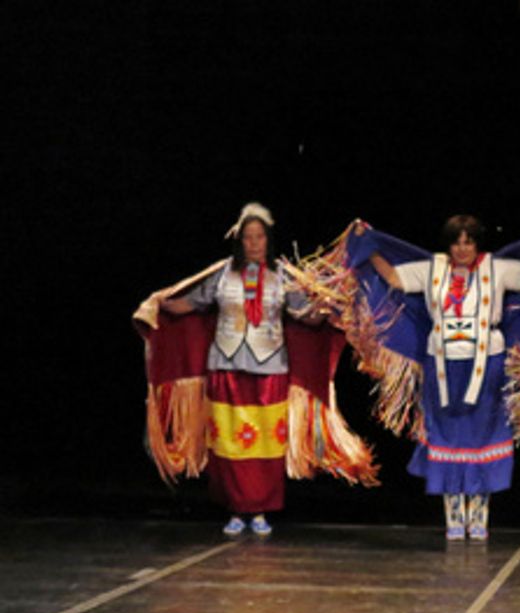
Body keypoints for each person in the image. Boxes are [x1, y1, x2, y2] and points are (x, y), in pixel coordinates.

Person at [298, 217, 520, 542]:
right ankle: (454, 515)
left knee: (481, 439)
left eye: (469, 241)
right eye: (457, 241)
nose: (463, 248)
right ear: (449, 245)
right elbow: (393, 278)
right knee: (448, 438)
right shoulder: (433, 269)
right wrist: (370, 246)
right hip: (443, 367)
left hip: (487, 365)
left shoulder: (495, 269)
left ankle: (479, 514)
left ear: (477, 244)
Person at [135, 203, 377, 535]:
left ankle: (260, 511)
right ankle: (236, 510)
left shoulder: (283, 276)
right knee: (227, 443)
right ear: (239, 241)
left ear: (268, 240)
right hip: (226, 368)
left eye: (259, 237)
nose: (253, 243)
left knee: (265, 444)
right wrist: (158, 304)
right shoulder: (222, 274)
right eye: (247, 238)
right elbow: (189, 304)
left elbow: (305, 316)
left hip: (270, 370)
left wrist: (329, 310)